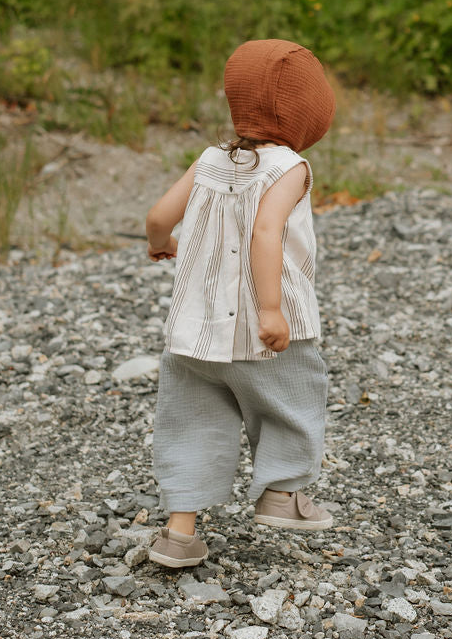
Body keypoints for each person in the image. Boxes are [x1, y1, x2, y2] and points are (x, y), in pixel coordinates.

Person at [144, 38, 337, 568]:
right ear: (306, 114)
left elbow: (160, 216)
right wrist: (270, 310)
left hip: (194, 330)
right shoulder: (289, 168)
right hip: (268, 329)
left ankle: (179, 532)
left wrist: (159, 242)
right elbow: (266, 231)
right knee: (291, 401)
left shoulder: (209, 160)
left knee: (190, 420)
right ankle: (282, 494)